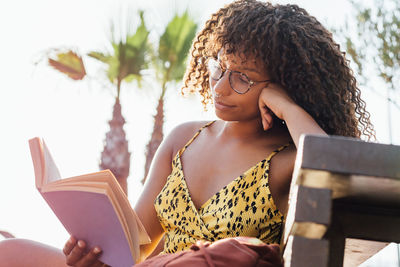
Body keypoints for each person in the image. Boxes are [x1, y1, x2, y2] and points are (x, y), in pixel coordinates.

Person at [0, 0, 375, 266]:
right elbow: (137, 244)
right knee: (8, 251)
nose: (221, 87)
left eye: (242, 78)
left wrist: (290, 108)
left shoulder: (287, 161)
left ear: (283, 85)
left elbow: (337, 169)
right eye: (219, 67)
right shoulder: (184, 138)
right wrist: (89, 252)